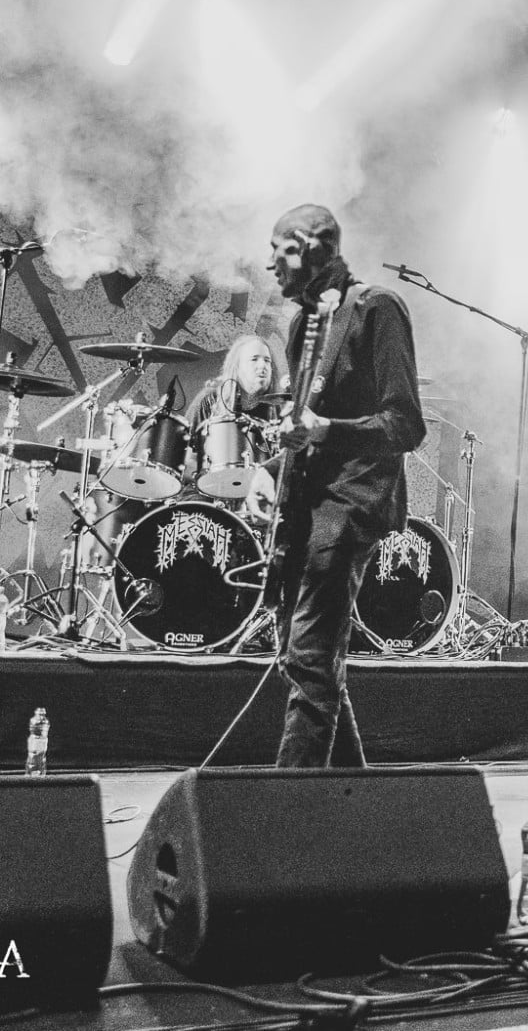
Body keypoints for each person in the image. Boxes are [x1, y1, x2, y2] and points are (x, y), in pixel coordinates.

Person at [266, 204, 426, 768]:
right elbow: (305, 428)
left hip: (352, 504)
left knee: (310, 658)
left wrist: (326, 430)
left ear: (313, 248)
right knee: (305, 660)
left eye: (281, 250)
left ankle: (289, 806)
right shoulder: (302, 326)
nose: (271, 264)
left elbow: (406, 425)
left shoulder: (376, 308)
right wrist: (274, 464)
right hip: (307, 506)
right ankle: (358, 796)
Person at [181, 334, 283, 509]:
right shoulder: (210, 400)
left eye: (267, 361)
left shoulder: (276, 409)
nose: (262, 366)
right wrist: (211, 478)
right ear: (237, 367)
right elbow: (183, 458)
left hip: (256, 494)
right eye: (254, 359)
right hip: (207, 492)